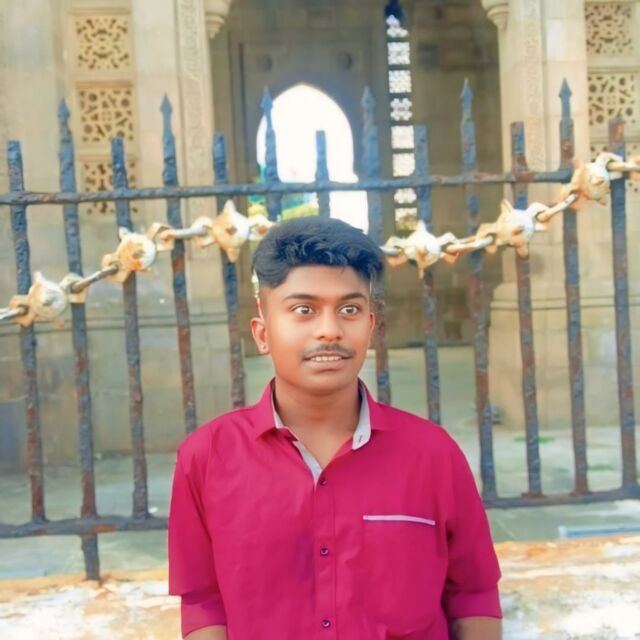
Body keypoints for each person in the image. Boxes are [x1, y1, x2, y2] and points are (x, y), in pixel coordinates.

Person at [168, 217, 502, 640]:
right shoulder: (207, 457)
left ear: (370, 326)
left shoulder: (432, 454)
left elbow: (473, 592)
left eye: (349, 310)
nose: (329, 330)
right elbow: (202, 601)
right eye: (303, 310)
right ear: (262, 333)